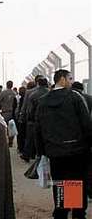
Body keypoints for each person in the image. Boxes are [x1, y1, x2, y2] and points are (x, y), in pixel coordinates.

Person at [35, 69, 92, 219]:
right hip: (76, 151)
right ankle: (77, 213)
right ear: (62, 79)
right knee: (74, 182)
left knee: (60, 183)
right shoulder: (74, 97)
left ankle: (61, 212)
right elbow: (86, 125)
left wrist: (42, 152)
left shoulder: (43, 101)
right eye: (70, 78)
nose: (72, 82)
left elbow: (38, 128)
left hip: (54, 152)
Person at [0, 81, 17, 146]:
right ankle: (11, 142)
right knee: (11, 127)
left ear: (6, 85)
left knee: (4, 127)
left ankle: (4, 142)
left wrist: (0, 107)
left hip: (5, 112)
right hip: (12, 112)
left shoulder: (3, 93)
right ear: (12, 85)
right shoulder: (14, 93)